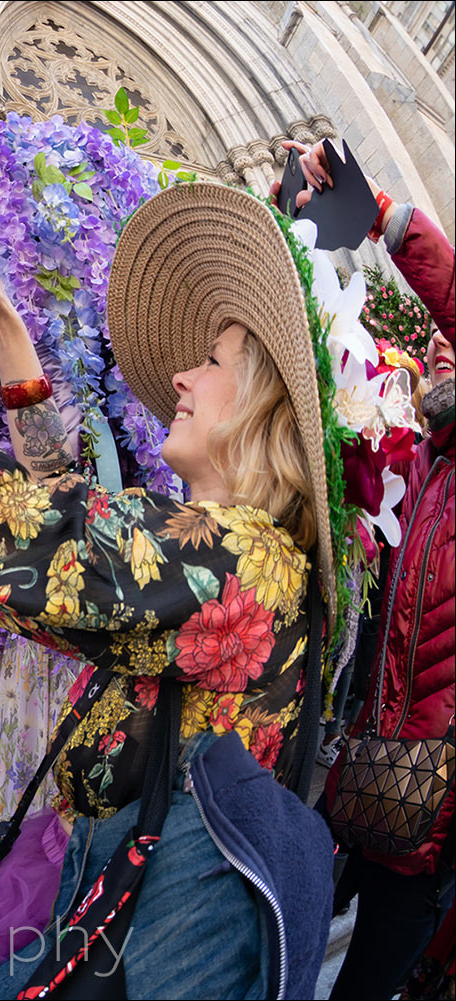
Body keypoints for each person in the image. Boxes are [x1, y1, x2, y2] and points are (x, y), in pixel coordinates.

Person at [0, 181, 412, 997]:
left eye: (213, 361)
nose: (182, 377)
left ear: (262, 406)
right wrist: (5, 325)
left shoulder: (237, 556)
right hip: (108, 877)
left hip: (134, 915)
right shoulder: (249, 553)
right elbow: (62, 494)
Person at [283, 137, 456, 1000]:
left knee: (380, 959)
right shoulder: (431, 461)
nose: (441, 350)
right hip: (387, 761)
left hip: (439, 792)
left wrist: (385, 217)